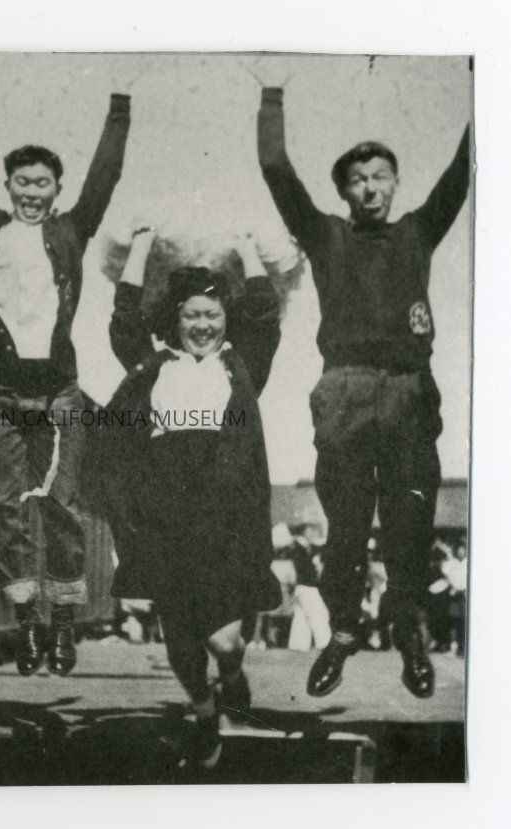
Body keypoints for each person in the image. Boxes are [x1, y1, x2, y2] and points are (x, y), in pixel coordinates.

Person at [256, 75, 471, 698]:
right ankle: (344, 631)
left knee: (410, 523)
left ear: (396, 183)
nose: (371, 188)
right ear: (343, 191)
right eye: (358, 179)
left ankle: (409, 631)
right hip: (345, 393)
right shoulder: (327, 235)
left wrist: (490, 78)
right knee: (346, 527)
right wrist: (272, 92)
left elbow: (464, 170)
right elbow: (275, 168)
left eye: (381, 176)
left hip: (407, 392)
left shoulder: (417, 233)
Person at [0, 85, 131, 676]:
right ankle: (26, 622)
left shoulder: (71, 231)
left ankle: (64, 621)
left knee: (61, 505)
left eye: (43, 184)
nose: (32, 193)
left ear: (57, 190)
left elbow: (106, 178)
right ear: (8, 186)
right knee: (6, 505)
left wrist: (120, 103)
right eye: (22, 182)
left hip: (58, 389)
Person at [100, 227, 282, 769]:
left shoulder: (242, 366)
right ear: (174, 320)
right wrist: (139, 246)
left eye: (212, 315)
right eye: (191, 315)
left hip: (226, 520)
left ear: (226, 318)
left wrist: (248, 248)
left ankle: (232, 674)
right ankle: (205, 714)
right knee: (180, 640)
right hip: (165, 520)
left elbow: (265, 316)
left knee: (224, 641)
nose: (202, 325)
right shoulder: (152, 366)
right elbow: (124, 321)